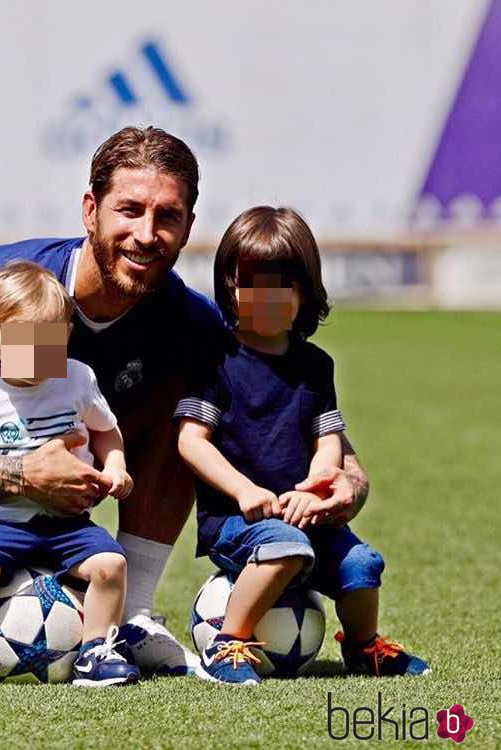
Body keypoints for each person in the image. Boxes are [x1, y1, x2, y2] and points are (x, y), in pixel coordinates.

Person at [0, 127, 370, 682]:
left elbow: (298, 409)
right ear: (90, 209)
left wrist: (346, 482)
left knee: (191, 406)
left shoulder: (190, 324)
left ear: (188, 226)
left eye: (166, 216)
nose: (146, 234)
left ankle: (131, 615)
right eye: (129, 210)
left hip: (48, 512)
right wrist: (21, 475)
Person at [175, 206, 430, 685]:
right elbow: (192, 442)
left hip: (302, 513)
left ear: (306, 290)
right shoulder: (214, 361)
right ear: (230, 285)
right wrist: (244, 491)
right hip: (237, 521)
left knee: (362, 563)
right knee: (287, 547)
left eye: (282, 285)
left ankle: (362, 647)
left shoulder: (315, 366)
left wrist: (317, 485)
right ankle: (229, 644)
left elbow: (327, 438)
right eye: (253, 282)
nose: (267, 297)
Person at [0, 261, 139, 688]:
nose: (40, 353)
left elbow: (105, 431)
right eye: (25, 342)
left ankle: (97, 649)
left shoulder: (78, 379)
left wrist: (115, 465)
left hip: (66, 522)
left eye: (50, 341)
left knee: (112, 564)